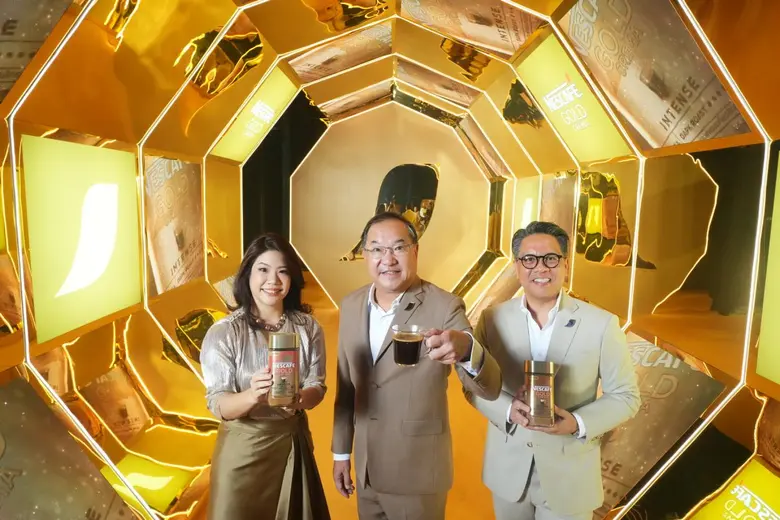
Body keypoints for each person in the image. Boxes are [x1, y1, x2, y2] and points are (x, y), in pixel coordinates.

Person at [331, 212, 502, 520]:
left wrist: (466, 349)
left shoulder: (445, 306)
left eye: (398, 247)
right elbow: (346, 386)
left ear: (415, 251)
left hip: (417, 474)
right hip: (366, 470)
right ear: (365, 254)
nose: (388, 259)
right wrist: (341, 453)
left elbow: (489, 388)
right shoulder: (351, 305)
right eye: (377, 249)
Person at [467, 221, 641, 520]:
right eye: (529, 259)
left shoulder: (602, 324)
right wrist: (508, 410)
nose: (540, 267)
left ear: (566, 265)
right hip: (507, 472)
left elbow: (626, 396)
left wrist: (576, 423)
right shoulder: (492, 319)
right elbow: (474, 386)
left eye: (550, 258)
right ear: (517, 267)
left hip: (569, 476)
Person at [201, 233, 330, 520]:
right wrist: (251, 396)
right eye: (263, 269)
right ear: (247, 274)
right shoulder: (224, 332)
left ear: (292, 278)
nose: (273, 280)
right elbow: (217, 403)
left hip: (291, 445)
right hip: (241, 453)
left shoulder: (308, 328)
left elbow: (317, 387)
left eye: (283, 271)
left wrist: (299, 399)